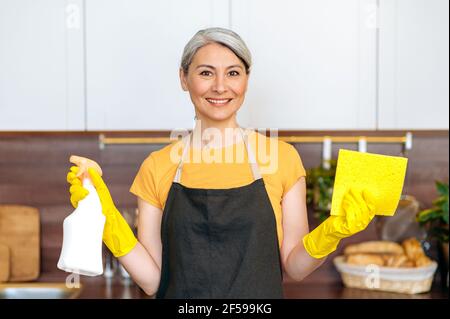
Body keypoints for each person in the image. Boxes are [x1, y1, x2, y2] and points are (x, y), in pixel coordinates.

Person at [66, 27, 377, 299]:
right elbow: (152, 281)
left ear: (246, 80)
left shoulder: (282, 158)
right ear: (183, 78)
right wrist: (106, 217)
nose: (220, 86)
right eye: (205, 72)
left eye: (233, 72)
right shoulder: (157, 166)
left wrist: (334, 230)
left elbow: (295, 267)